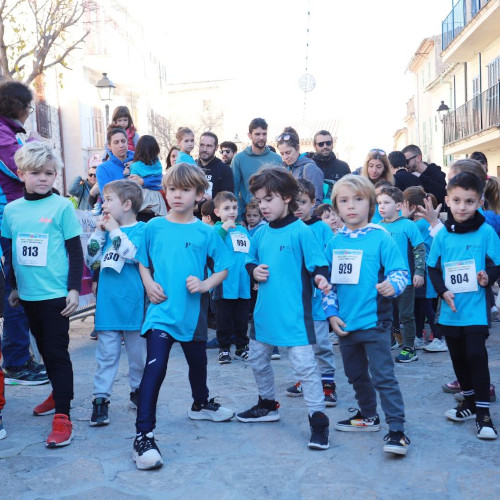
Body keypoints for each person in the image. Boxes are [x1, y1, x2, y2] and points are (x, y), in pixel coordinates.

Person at [132, 163, 234, 470]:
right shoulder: (152, 227)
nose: (176, 195)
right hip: (160, 313)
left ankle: (200, 403)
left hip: (192, 315)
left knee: (198, 364)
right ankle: (143, 436)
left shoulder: (206, 232)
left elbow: (224, 268)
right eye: (172, 189)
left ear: (199, 194)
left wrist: (205, 284)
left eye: (185, 190)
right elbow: (142, 262)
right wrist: (149, 284)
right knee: (156, 366)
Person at [236, 167, 332, 451]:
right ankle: (267, 404)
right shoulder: (261, 233)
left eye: (269, 199)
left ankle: (318, 421)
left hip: (295, 318)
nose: (263, 206)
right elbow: (249, 260)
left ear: (287, 198)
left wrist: (320, 277)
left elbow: (318, 264)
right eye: (259, 200)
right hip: (265, 315)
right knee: (257, 359)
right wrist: (254, 271)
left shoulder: (302, 231)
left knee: (305, 368)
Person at [2, 141, 83, 447]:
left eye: (49, 173)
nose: (44, 178)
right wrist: (12, 287)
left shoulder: (62, 206)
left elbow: (76, 253)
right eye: (36, 173)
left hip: (55, 296)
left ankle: (63, 416)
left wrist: (74, 290)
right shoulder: (11, 210)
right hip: (26, 296)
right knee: (46, 353)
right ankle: (56, 394)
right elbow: (10, 253)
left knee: (58, 353)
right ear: (21, 173)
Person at [323, 174, 411, 456]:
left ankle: (397, 430)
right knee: (355, 374)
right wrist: (331, 315)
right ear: (336, 206)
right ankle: (368, 415)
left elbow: (401, 271)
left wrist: (392, 285)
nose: (351, 206)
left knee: (383, 376)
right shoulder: (334, 243)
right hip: (346, 326)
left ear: (370, 204)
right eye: (344, 200)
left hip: (375, 322)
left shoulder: (381, 238)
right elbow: (326, 283)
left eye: (358, 200)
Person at [427, 172, 500, 440]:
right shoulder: (443, 236)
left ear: (480, 202)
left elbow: (496, 264)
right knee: (457, 356)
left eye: (469, 201)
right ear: (447, 200)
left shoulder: (486, 232)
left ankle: (483, 413)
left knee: (476, 355)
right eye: (456, 200)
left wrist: (487, 277)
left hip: (476, 309)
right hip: (451, 309)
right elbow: (433, 268)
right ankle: (468, 401)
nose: (462, 207)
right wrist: (443, 291)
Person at [86, 180, 146, 426]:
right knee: (107, 355)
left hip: (133, 305)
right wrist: (100, 232)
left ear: (127, 204)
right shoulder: (108, 232)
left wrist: (113, 231)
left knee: (138, 356)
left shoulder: (142, 230)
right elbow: (92, 261)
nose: (104, 204)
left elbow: (132, 255)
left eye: (109, 200)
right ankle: (101, 399)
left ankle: (139, 391)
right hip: (108, 307)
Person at [0, 79, 48, 386]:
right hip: (9, 220)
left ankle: (20, 357)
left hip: (19, 218)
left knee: (24, 284)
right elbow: (21, 165)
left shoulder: (11, 132)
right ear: (17, 106)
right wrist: (37, 144)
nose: (30, 113)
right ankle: (16, 362)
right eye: (29, 107)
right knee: (17, 288)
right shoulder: (5, 134)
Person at [285, 179, 337, 406]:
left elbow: (329, 259)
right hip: (295, 298)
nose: (298, 208)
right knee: (299, 343)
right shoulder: (287, 227)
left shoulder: (322, 228)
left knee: (322, 344)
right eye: (294, 202)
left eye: (303, 202)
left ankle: (327, 385)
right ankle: (304, 379)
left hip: (317, 299)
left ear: (313, 203)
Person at [377, 186, 425, 363]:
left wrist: (419, 272)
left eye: (386, 203)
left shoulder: (408, 225)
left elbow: (419, 249)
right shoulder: (377, 228)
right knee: (386, 313)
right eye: (379, 203)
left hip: (405, 280)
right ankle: (389, 341)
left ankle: (409, 347)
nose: (381, 207)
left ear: (398, 205)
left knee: (406, 314)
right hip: (385, 280)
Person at [401, 187, 446, 352]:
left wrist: (404, 216)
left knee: (426, 305)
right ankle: (419, 337)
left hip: (425, 269)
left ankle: (439, 337)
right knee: (420, 304)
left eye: (402, 205)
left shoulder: (417, 224)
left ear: (411, 207)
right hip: (424, 269)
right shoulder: (422, 222)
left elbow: (404, 231)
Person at [212, 191, 251, 364]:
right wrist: (225, 227)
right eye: (226, 208)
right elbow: (213, 245)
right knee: (224, 320)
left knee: (242, 319)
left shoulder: (243, 230)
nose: (231, 212)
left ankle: (242, 347)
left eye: (234, 208)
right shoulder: (216, 230)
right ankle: (224, 348)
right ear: (217, 212)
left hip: (242, 283)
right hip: (224, 284)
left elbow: (250, 252)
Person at [232, 118, 282, 220]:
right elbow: (234, 189)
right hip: (249, 216)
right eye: (257, 134)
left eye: (264, 134)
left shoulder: (276, 158)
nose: (261, 137)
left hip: (272, 215)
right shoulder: (239, 158)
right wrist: (239, 217)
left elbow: (281, 189)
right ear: (250, 135)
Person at [276, 127, 324, 209]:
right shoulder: (284, 169)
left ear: (297, 148)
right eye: (282, 154)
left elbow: (316, 203)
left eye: (288, 152)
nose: (285, 157)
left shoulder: (310, 169)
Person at [129, 135, 167, 221]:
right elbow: (159, 180)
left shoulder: (136, 165)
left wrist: (143, 181)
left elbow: (160, 180)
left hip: (143, 198)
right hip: (155, 197)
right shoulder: (157, 164)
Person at [306, 130, 350, 203]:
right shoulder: (308, 167)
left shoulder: (343, 166)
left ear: (332, 144)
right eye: (321, 144)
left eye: (328, 143)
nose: (325, 146)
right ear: (315, 146)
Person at [197, 131, 234, 201]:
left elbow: (227, 200)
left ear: (216, 147)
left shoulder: (224, 170)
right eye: (202, 145)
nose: (204, 149)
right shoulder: (191, 167)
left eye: (209, 146)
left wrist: (210, 202)